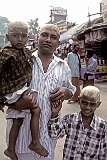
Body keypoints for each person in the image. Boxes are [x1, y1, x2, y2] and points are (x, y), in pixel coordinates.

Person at [6, 24, 76, 160]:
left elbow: (71, 92)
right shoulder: (21, 61)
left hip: (48, 137)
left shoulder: (63, 66)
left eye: (53, 37)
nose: (48, 39)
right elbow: (5, 92)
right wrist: (18, 104)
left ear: (58, 42)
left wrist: (64, 91)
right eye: (44, 35)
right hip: (21, 137)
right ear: (37, 37)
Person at [0, 21, 48, 160]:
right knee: (36, 109)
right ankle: (35, 142)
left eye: (24, 36)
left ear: (28, 37)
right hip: (12, 90)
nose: (20, 39)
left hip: (21, 88)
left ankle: (10, 149)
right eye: (15, 36)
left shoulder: (26, 52)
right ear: (8, 37)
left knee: (18, 120)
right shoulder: (5, 54)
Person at [48, 86, 107, 160]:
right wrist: (55, 114)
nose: (88, 107)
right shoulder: (70, 119)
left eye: (92, 104)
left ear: (98, 104)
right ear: (79, 100)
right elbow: (54, 134)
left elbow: (103, 155)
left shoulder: (103, 127)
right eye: (84, 102)